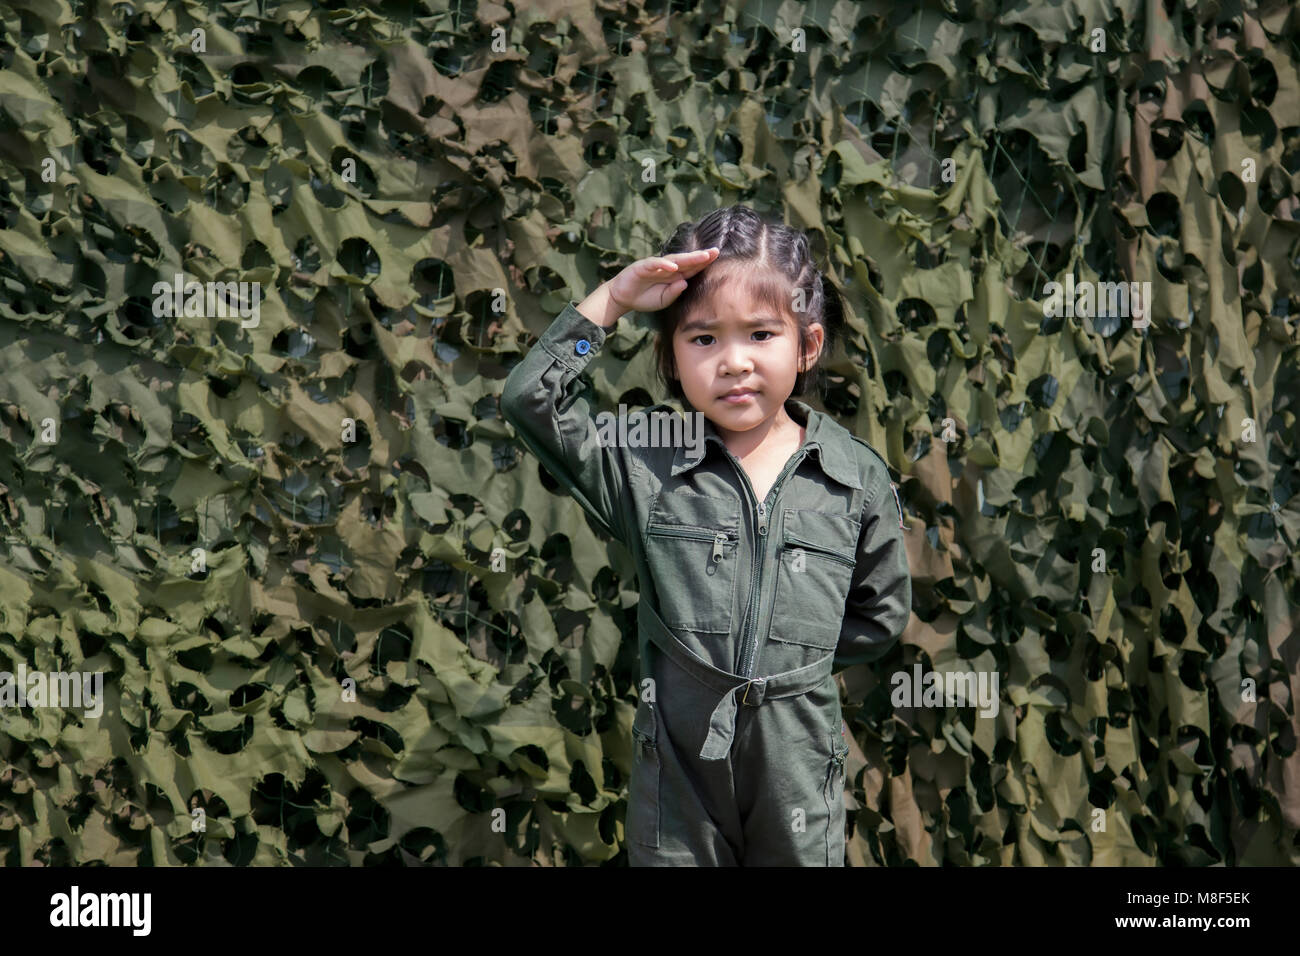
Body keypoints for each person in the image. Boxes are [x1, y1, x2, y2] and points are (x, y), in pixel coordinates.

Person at [500, 204, 912, 865]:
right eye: (703, 339)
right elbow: (531, 399)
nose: (733, 362)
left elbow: (881, 616)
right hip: (679, 778)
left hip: (797, 766)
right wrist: (613, 300)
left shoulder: (853, 473)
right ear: (669, 355)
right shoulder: (646, 458)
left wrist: (783, 661)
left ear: (806, 345)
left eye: (760, 334)